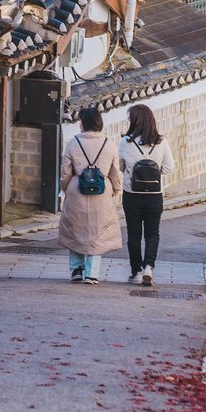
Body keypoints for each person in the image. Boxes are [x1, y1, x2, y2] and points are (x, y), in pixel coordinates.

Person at [57, 105, 122, 284]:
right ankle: (92, 273)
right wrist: (115, 190)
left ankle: (76, 270)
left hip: (77, 189)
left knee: (76, 230)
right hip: (102, 192)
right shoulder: (109, 144)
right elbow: (115, 171)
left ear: (83, 123)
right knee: (97, 232)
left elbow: (65, 172)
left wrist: (65, 188)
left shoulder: (73, 142)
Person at [119, 103, 175, 286]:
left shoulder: (125, 141)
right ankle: (148, 267)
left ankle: (135, 271)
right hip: (154, 195)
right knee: (152, 233)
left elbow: (120, 167)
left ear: (134, 121)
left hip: (131, 194)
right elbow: (168, 168)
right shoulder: (161, 142)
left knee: (133, 234)